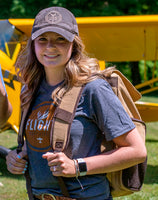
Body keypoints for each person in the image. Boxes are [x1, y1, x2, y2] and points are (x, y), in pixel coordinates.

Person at [6, 6, 147, 200]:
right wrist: (18, 157)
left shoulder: (93, 88)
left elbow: (137, 151)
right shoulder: (29, 90)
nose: (50, 46)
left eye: (60, 39)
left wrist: (77, 166)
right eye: (42, 39)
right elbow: (39, 145)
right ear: (33, 44)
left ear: (74, 44)